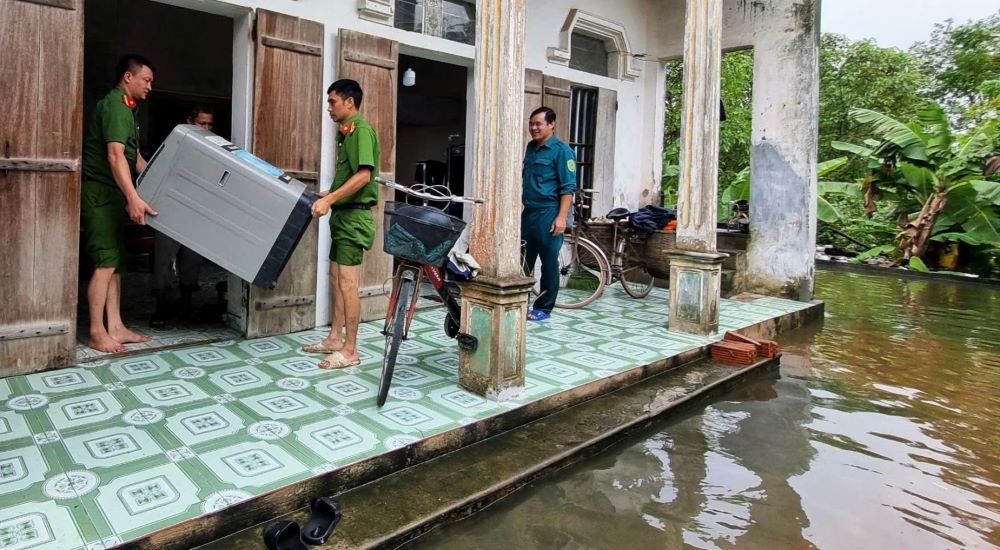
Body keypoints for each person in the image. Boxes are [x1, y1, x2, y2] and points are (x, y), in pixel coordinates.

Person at [80, 54, 158, 352]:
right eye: (146, 80)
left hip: (113, 194)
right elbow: (114, 156)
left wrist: (155, 185)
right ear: (129, 77)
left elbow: (134, 158)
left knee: (116, 263)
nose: (150, 86)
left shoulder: (128, 109)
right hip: (100, 193)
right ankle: (97, 331)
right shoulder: (115, 106)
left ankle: (116, 326)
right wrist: (133, 197)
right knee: (105, 261)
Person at [307, 79, 380, 369]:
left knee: (349, 284)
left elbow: (364, 176)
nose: (329, 107)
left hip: (354, 218)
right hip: (344, 215)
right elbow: (350, 176)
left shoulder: (361, 130)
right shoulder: (346, 133)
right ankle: (335, 338)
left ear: (350, 102)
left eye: (332, 101)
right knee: (336, 278)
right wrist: (329, 195)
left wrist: (330, 199)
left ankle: (351, 350)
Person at [149, 105, 213, 327]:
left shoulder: (214, 151)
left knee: (192, 262)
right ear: (189, 121)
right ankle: (160, 309)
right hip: (169, 212)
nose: (205, 128)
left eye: (209, 124)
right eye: (201, 123)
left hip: (195, 215)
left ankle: (187, 307)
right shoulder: (175, 144)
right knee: (163, 263)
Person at [522, 106, 577, 321]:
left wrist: (561, 216)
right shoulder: (531, 148)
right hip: (529, 212)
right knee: (522, 259)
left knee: (548, 262)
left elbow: (568, 188)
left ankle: (543, 307)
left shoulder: (563, 151)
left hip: (550, 212)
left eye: (538, 123)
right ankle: (519, 302)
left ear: (551, 124)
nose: (534, 128)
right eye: (531, 123)